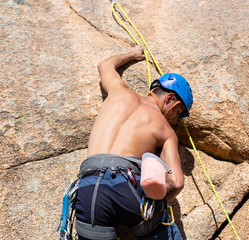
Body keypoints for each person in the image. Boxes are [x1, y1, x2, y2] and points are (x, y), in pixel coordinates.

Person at [74, 46, 193, 240]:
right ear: (170, 99)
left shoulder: (118, 91)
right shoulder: (166, 129)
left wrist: (132, 54)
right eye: (178, 112)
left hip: (90, 189)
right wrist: (151, 202)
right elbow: (177, 182)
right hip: (128, 187)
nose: (175, 120)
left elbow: (105, 65)